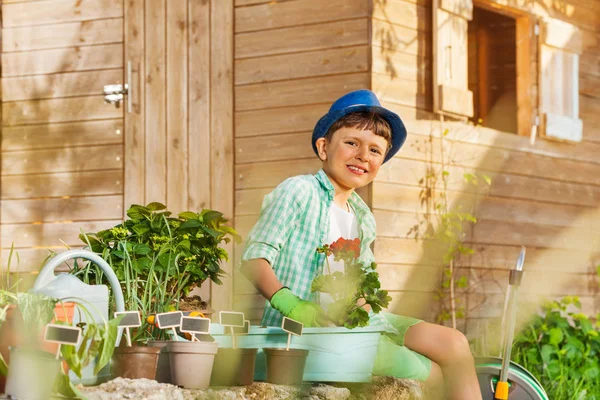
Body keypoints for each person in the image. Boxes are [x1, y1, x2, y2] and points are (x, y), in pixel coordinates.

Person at [239, 89, 482, 399]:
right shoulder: (298, 192)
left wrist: (363, 304)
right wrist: (294, 306)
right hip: (307, 335)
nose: (363, 156)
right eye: (352, 143)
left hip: (351, 328)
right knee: (432, 373)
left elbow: (366, 283)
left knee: (455, 344)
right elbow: (253, 259)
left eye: (375, 150)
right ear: (324, 147)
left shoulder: (363, 217)